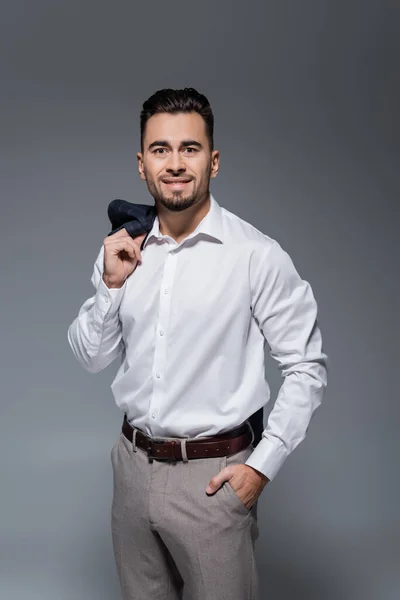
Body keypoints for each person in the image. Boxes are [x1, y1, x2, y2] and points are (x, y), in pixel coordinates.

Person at [67, 87, 328, 600]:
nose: (175, 163)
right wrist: (111, 286)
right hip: (132, 468)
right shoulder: (124, 249)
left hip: (213, 481)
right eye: (161, 149)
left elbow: (307, 367)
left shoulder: (256, 255)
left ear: (213, 160)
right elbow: (90, 357)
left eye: (189, 148)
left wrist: (261, 467)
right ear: (142, 165)